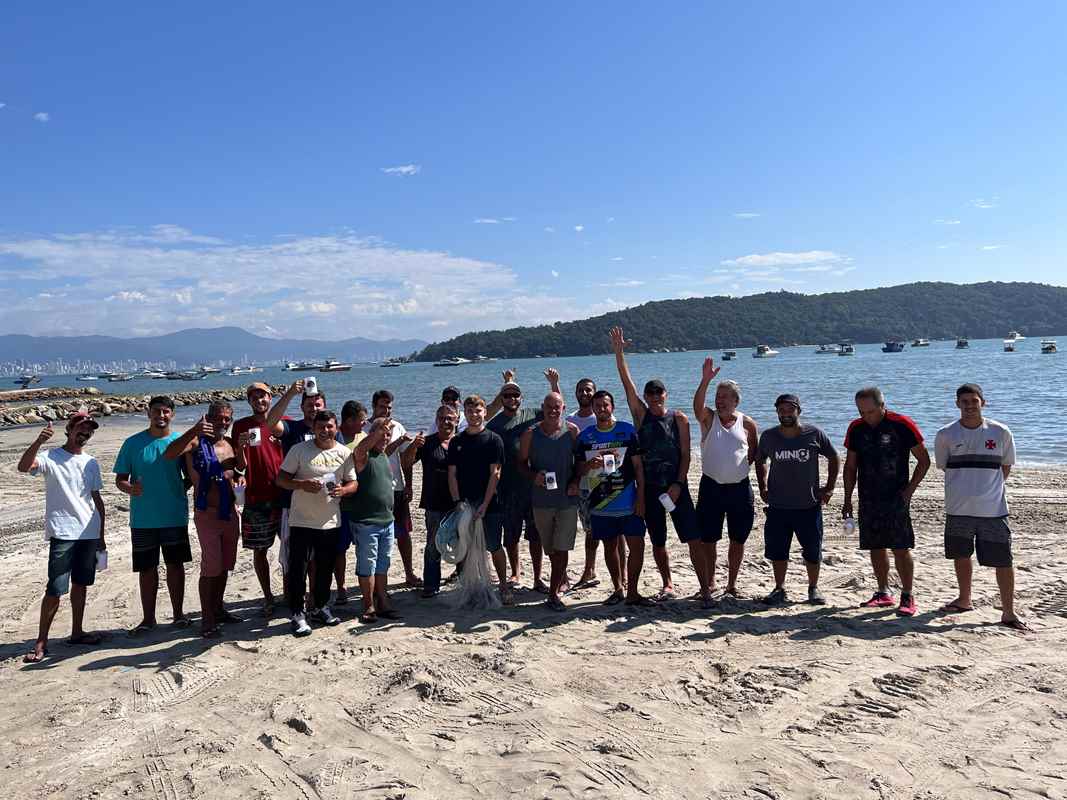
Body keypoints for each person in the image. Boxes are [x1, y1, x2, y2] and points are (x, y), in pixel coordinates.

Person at [610, 326, 700, 601]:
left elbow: (686, 455)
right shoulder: (641, 415)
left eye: (658, 393)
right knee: (658, 541)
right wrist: (619, 352)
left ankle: (705, 586)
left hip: (676, 488)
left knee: (692, 537)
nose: (654, 397)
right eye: (650, 395)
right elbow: (628, 384)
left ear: (665, 395)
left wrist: (678, 484)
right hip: (649, 490)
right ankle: (668, 583)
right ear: (646, 398)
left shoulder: (679, 419)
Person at [934, 383, 1029, 630]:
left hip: (993, 510)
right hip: (958, 508)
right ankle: (964, 599)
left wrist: (987, 487)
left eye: (974, 401)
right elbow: (944, 466)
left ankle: (1008, 612)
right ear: (957, 404)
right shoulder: (946, 434)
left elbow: (1005, 466)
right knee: (961, 555)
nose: (969, 406)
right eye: (964, 401)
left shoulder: (1000, 432)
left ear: (982, 403)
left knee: (1003, 560)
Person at [18, 413, 106, 663]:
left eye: (89, 430)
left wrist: (101, 535)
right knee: (55, 588)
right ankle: (41, 641)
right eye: (81, 427)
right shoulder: (50, 457)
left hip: (89, 532)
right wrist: (38, 441)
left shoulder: (91, 462)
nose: (85, 432)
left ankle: (77, 632)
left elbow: (96, 499)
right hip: (63, 532)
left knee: (81, 584)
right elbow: (24, 467)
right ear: (68, 429)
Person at [842, 386, 930, 616]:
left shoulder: (902, 424)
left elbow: (924, 460)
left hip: (896, 496)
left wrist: (909, 491)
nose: (866, 417)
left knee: (900, 546)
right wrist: (848, 497)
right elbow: (850, 465)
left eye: (870, 411)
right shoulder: (856, 428)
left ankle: (908, 595)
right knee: (875, 545)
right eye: (861, 412)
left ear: (882, 405)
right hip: (868, 496)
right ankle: (883, 592)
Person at [164, 401, 243, 638]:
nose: (223, 422)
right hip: (206, 513)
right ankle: (206, 619)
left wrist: (239, 480)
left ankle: (218, 609)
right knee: (210, 567)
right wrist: (194, 430)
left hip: (230, 512)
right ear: (209, 418)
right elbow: (169, 454)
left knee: (225, 565)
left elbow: (238, 472)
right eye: (218, 418)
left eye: (227, 418)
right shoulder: (196, 442)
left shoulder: (230, 444)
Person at [115, 395, 191, 635]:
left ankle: (178, 615)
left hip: (174, 515)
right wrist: (130, 489)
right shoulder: (132, 443)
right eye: (156, 411)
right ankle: (148, 619)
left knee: (175, 566)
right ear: (148, 413)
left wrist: (180, 487)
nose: (161, 416)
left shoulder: (181, 442)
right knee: (147, 569)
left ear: (172, 415)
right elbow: (120, 479)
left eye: (166, 412)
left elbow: (192, 474)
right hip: (143, 519)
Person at [275, 410, 355, 636]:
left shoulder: (344, 452)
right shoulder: (299, 450)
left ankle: (320, 607)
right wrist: (301, 484)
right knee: (297, 569)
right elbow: (281, 479)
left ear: (336, 427)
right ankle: (297, 614)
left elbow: (353, 483)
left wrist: (344, 489)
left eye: (329, 426)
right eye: (321, 426)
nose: (325, 430)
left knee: (325, 569)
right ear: (313, 428)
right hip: (300, 521)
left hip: (330, 521)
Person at [754, 394, 839, 605]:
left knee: (812, 550)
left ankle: (813, 588)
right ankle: (779, 589)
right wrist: (763, 486)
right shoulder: (769, 436)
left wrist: (828, 488)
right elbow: (760, 459)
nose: (785, 414)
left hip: (808, 505)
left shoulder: (814, 434)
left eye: (789, 410)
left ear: (798, 411)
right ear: (777, 412)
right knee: (778, 550)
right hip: (778, 506)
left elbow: (834, 456)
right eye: (781, 410)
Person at [485, 368, 562, 592]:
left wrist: (554, 384)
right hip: (507, 489)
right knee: (511, 535)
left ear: (522, 398)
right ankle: (516, 573)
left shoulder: (533, 415)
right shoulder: (494, 425)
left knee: (535, 535)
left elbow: (557, 410)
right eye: (506, 395)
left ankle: (538, 578)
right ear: (501, 399)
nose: (511, 399)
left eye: (515, 395)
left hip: (533, 486)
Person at [575, 390, 651, 606]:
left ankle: (633, 592)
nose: (601, 409)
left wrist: (641, 498)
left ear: (612, 407)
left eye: (605, 405)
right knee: (610, 547)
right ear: (593, 408)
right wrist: (589, 465)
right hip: (601, 503)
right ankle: (618, 589)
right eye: (597, 406)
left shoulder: (627, 431)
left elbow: (638, 468)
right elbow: (578, 469)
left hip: (629, 502)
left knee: (637, 546)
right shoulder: (585, 436)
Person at [693, 360, 759, 605]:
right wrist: (705, 380)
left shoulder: (748, 423)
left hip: (740, 489)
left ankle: (731, 583)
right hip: (711, 487)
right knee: (709, 539)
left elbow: (754, 451)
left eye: (724, 397)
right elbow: (697, 407)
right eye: (717, 396)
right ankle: (709, 583)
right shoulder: (709, 419)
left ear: (735, 401)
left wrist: (740, 468)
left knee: (737, 539)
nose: (719, 400)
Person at [518, 393, 581, 610]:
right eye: (549, 407)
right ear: (542, 408)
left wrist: (576, 481)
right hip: (541, 501)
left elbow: (580, 462)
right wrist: (533, 476)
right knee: (551, 549)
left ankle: (553, 595)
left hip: (567, 500)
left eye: (557, 407)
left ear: (563, 409)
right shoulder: (530, 434)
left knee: (562, 548)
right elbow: (520, 464)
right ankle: (560, 579)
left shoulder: (572, 431)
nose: (553, 410)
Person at [447, 395, 510, 604]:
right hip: (464, 504)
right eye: (470, 411)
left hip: (490, 504)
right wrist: (458, 502)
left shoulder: (494, 440)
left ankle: (502, 585)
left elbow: (496, 474)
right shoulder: (457, 441)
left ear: (485, 412)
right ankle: (472, 587)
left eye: (478, 411)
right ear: (464, 413)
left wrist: (484, 503)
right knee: (467, 547)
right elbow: (452, 474)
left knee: (493, 545)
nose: (474, 415)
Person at [265, 379, 327, 593]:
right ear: (301, 408)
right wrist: (290, 393)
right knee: (293, 555)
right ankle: (293, 597)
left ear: (324, 407)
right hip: (292, 504)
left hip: (321, 505)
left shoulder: (330, 430)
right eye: (309, 405)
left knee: (317, 556)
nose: (314, 408)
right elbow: (270, 423)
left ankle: (313, 598)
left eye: (318, 405)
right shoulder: (293, 428)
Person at [232, 382, 285, 616]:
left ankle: (292, 591)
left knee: (291, 548)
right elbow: (240, 466)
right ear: (249, 402)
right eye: (254, 397)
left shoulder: (282, 423)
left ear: (270, 398)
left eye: (262, 396)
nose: (259, 401)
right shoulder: (241, 426)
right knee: (260, 551)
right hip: (256, 499)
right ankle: (268, 596)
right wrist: (241, 448)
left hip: (283, 496)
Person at [342, 417, 400, 624]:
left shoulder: (383, 455)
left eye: (388, 434)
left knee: (383, 563)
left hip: (387, 521)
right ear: (371, 434)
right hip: (366, 522)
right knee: (367, 564)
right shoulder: (363, 456)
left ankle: (382, 600)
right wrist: (377, 432)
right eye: (381, 433)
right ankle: (368, 604)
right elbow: (358, 450)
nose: (385, 437)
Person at [406, 404, 460, 598]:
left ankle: (462, 582)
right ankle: (431, 585)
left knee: (461, 544)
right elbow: (407, 462)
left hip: (458, 503)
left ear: (456, 420)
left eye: (450, 418)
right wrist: (413, 446)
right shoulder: (427, 443)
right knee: (433, 545)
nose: (446, 422)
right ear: (436, 421)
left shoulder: (462, 442)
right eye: (442, 418)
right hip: (434, 503)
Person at [370, 389, 422, 588]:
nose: (386, 410)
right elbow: (380, 452)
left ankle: (408, 572)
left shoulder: (397, 426)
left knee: (403, 533)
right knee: (376, 536)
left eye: (389, 407)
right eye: (383, 406)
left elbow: (405, 459)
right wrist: (400, 440)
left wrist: (408, 483)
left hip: (397, 487)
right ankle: (375, 579)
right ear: (374, 406)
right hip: (375, 489)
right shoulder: (369, 427)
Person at [566, 377, 605, 590]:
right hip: (581, 483)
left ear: (595, 393)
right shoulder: (571, 419)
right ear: (576, 393)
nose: (585, 393)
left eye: (588, 390)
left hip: (603, 482)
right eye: (581, 390)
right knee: (590, 529)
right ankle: (590, 570)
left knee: (612, 528)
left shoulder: (602, 416)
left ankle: (623, 574)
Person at [333, 399, 369, 604]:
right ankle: (341, 586)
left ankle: (366, 585)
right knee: (340, 549)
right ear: (348, 420)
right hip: (341, 505)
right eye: (361, 421)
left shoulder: (363, 437)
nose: (364, 424)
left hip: (361, 504)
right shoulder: (334, 438)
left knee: (364, 547)